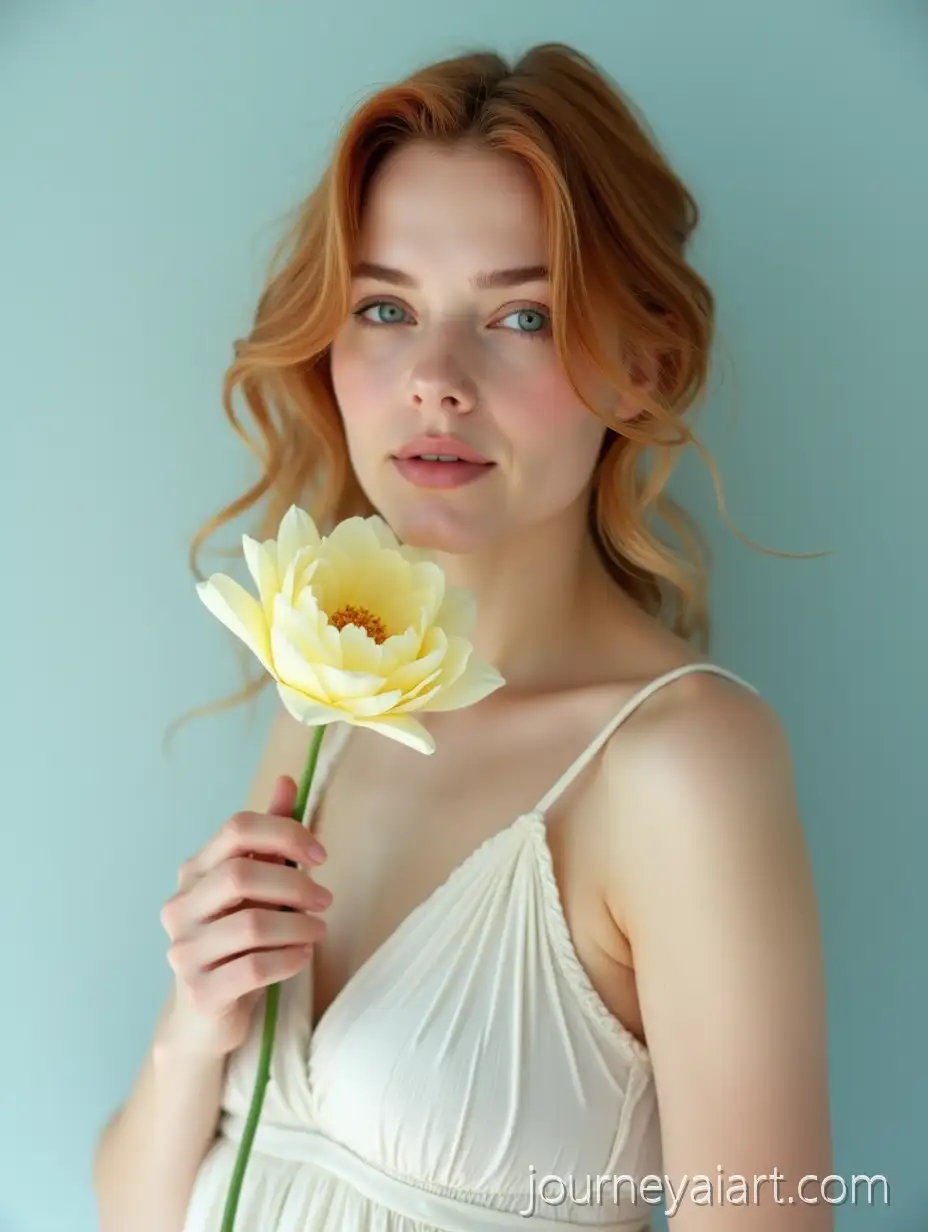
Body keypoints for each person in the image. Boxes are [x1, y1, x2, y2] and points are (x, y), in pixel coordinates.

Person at [93, 42, 833, 1232]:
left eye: (521, 315)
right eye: (385, 307)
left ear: (639, 367)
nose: (435, 378)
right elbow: (134, 1206)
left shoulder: (683, 765)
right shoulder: (327, 682)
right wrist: (196, 1021)